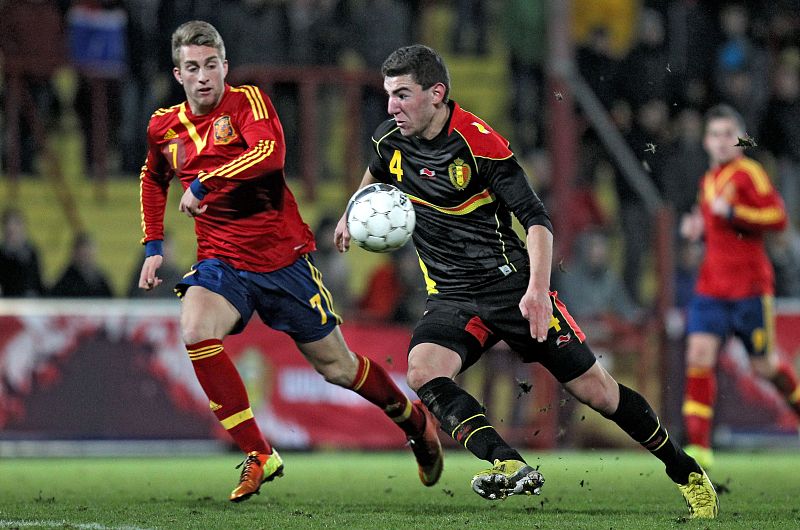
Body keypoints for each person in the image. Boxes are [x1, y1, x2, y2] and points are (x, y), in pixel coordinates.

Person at [334, 44, 718, 519]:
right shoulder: (389, 138)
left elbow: (537, 219)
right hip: (451, 295)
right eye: (389, 94)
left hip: (512, 287)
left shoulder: (480, 144)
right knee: (422, 371)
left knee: (597, 391)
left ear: (436, 94)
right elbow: (376, 172)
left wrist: (537, 291)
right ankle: (509, 463)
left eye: (403, 95)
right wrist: (353, 212)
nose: (392, 106)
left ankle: (685, 471)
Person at [137, 21, 442, 503]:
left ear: (225, 67)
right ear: (178, 74)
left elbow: (270, 154)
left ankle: (412, 420)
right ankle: (259, 453)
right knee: (195, 329)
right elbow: (153, 178)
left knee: (338, 369)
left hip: (282, 260)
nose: (203, 77)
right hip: (222, 261)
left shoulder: (248, 103)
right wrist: (153, 246)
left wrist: (205, 182)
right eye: (192, 68)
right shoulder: (163, 126)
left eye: (211, 65)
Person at [679, 104, 800, 470]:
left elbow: (777, 217)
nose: (721, 142)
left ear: (742, 140)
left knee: (765, 367)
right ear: (706, 141)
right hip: (711, 288)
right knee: (698, 357)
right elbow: (714, 227)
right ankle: (699, 448)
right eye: (715, 135)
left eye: (728, 134)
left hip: (749, 289)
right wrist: (698, 229)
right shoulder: (708, 181)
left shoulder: (750, 174)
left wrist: (733, 213)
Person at [49, 232, 114, 298]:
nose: (86, 257)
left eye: (89, 253)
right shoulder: (66, 281)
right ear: (74, 253)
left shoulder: (100, 280)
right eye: (83, 253)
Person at [0, 208, 45, 297]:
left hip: (29, 301)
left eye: (16, 226)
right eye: (9, 230)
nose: (12, 230)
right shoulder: (2, 254)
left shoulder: (31, 253)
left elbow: (37, 283)